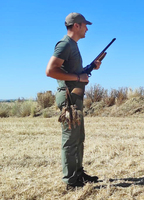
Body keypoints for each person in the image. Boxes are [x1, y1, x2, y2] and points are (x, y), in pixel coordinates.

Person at [46, 12, 104, 190]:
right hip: (69, 98)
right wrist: (79, 78)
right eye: (85, 25)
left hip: (75, 98)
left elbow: (72, 72)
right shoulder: (65, 44)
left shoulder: (73, 45)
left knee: (78, 138)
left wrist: (90, 68)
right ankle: (71, 181)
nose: (87, 28)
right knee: (71, 140)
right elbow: (50, 70)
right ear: (76, 25)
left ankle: (78, 174)